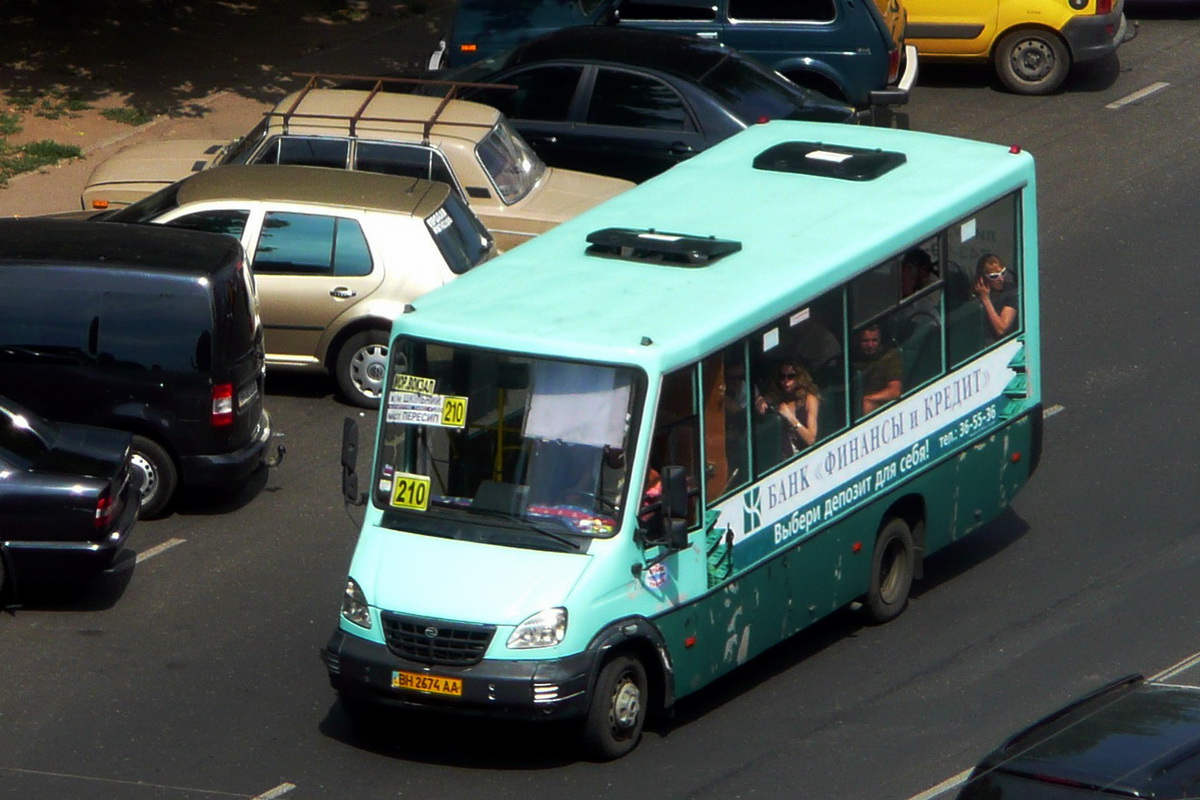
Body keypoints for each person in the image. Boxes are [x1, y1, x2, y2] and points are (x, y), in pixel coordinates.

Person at [755, 360, 819, 456]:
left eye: (791, 377)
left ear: (799, 378)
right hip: (779, 452)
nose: (786, 381)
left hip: (800, 454)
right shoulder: (778, 395)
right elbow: (764, 400)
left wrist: (791, 418)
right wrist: (760, 400)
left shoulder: (809, 400)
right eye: (782, 377)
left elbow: (811, 439)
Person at [853, 323, 902, 416]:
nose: (870, 345)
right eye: (866, 341)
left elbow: (895, 391)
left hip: (879, 405)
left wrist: (869, 398)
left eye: (874, 340)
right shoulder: (853, 360)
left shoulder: (889, 357)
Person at [974, 253, 1018, 343]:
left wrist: (986, 300)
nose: (1001, 279)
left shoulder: (1011, 292)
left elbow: (1002, 329)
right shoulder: (977, 292)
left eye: (1003, 273)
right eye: (994, 276)